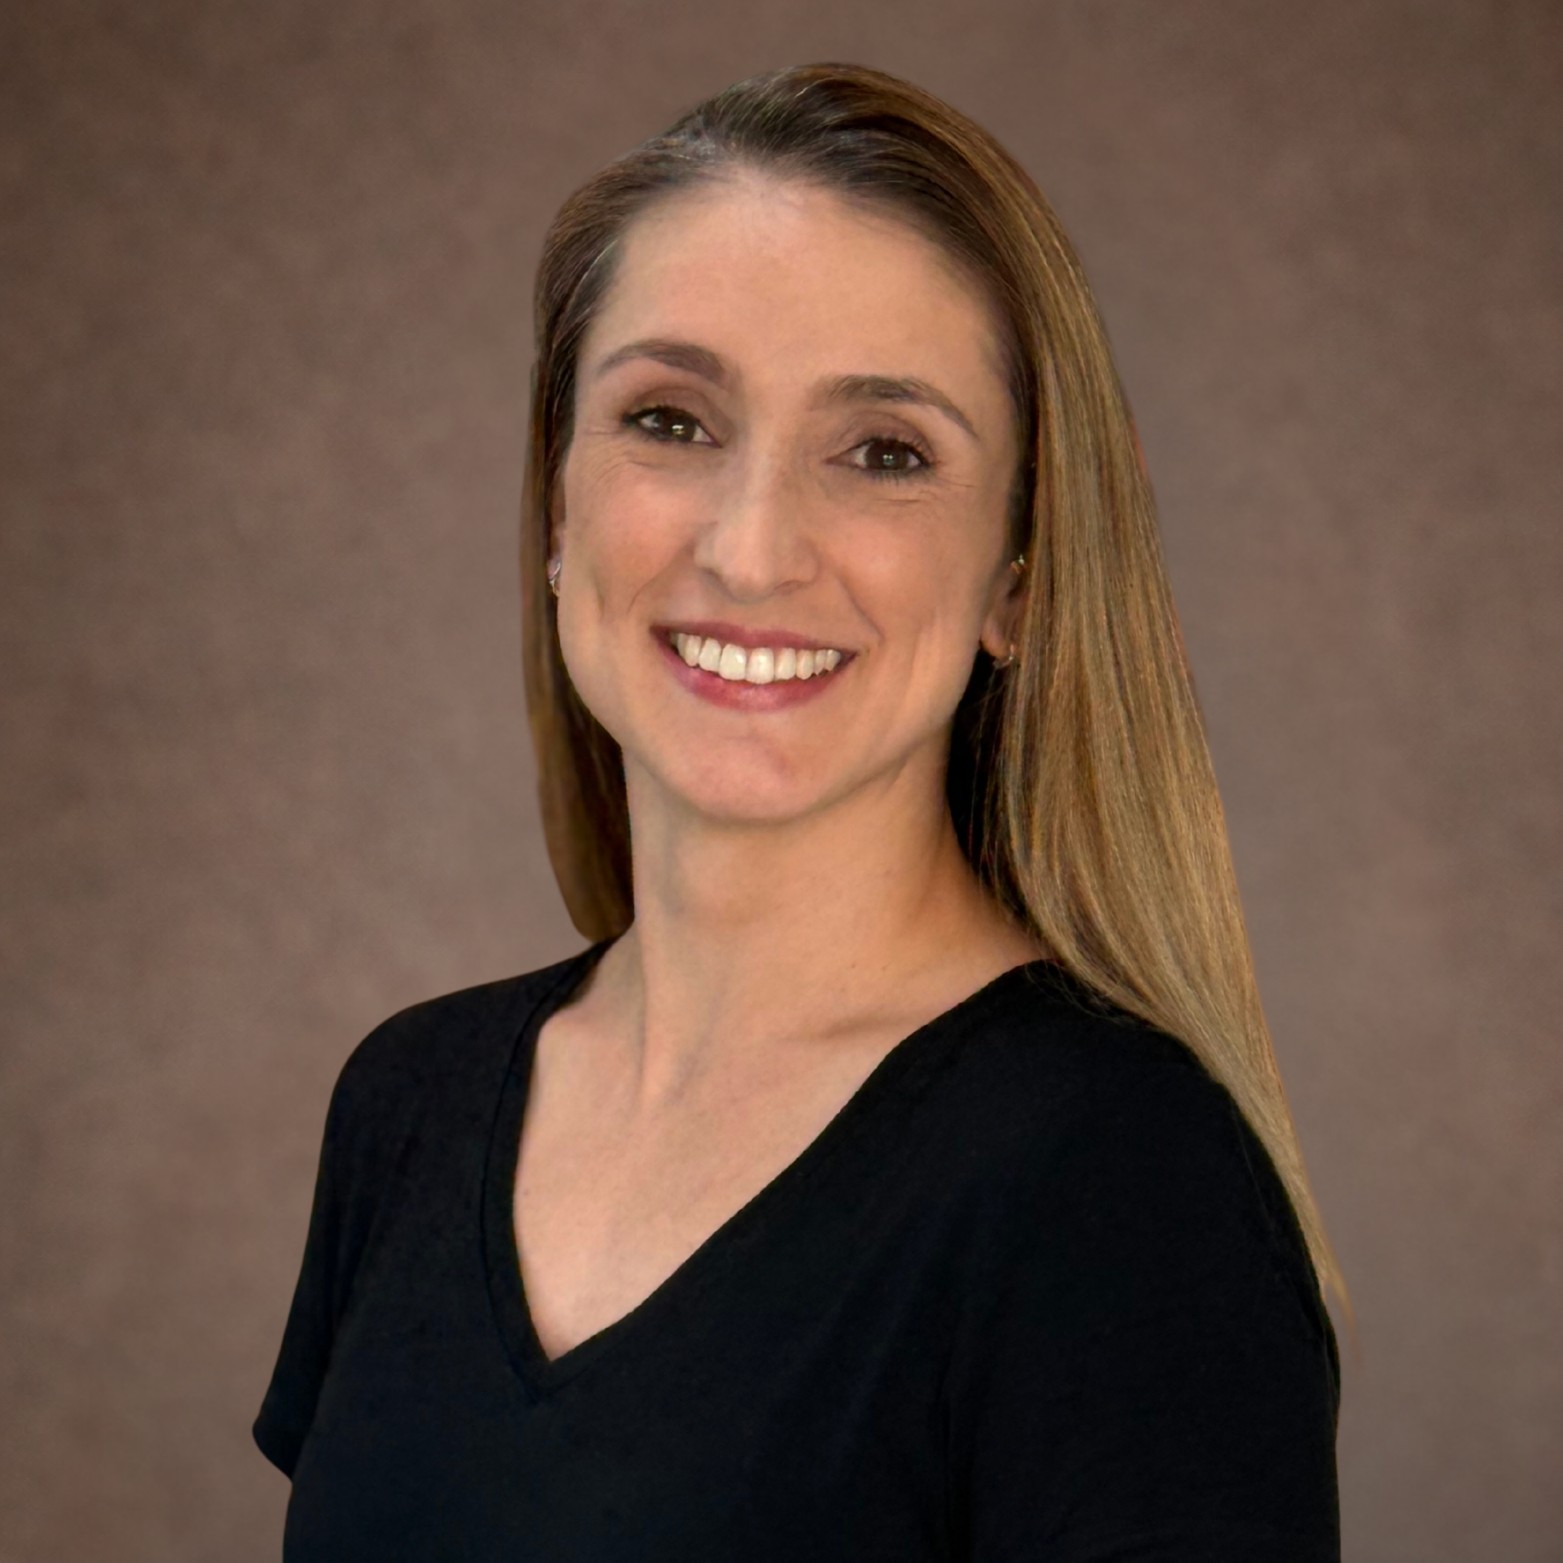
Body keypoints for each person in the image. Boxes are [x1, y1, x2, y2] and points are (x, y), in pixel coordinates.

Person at [254, 61, 1346, 1560]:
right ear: (561, 512)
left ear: (1019, 583)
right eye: (671, 420)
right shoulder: (409, 1107)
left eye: (884, 452)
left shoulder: (1120, 1188)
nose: (753, 547)